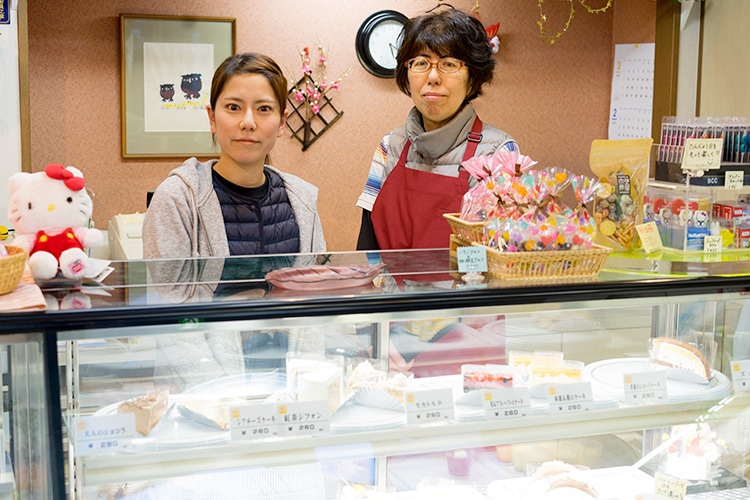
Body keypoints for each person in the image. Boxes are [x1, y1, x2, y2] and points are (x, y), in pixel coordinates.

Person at [356, 6, 519, 251]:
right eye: (421, 62)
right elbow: (368, 246)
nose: (433, 76)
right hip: (392, 289)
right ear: (406, 75)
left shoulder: (500, 153)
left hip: (468, 290)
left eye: (449, 64)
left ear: (472, 78)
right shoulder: (390, 146)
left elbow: (506, 253)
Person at [143, 52, 326, 260]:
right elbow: (166, 291)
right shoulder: (177, 200)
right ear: (212, 118)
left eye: (264, 109)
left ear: (282, 122)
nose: (248, 122)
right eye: (233, 107)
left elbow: (314, 285)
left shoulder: (303, 199)